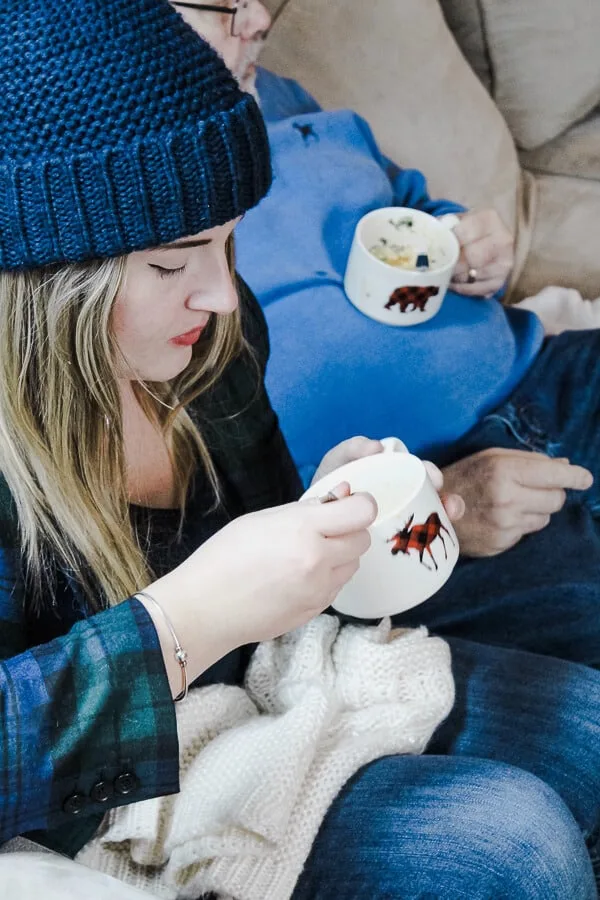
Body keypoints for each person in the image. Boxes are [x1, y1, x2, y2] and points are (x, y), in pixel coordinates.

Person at [0, 2, 599, 899]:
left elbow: (274, 553)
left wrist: (326, 513)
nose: (225, 297)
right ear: (48, 286)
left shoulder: (211, 352)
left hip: (282, 683)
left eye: (230, 242)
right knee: (515, 846)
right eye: (174, 261)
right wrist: (186, 619)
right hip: (137, 783)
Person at [173, 0, 600, 668]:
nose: (257, 19)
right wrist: (438, 502)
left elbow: (408, 203)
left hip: (542, 372)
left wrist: (466, 239)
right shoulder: (125, 196)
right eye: (221, 5)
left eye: (258, 0)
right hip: (416, 499)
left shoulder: (284, 96)